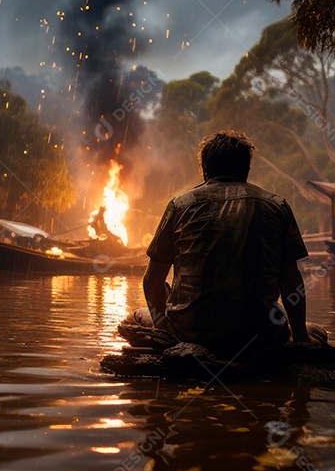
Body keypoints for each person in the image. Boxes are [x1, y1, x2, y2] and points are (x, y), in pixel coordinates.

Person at [133, 130, 319, 353]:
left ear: (205, 169)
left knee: (134, 317)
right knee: (317, 332)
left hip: (188, 334)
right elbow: (290, 280)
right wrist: (301, 339)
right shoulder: (277, 206)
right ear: (246, 169)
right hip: (261, 335)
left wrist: (163, 335)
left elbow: (153, 279)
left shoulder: (180, 206)